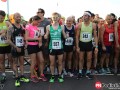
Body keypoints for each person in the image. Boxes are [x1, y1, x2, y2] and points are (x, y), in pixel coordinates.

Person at [8, 13, 29, 87]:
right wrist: (15, 47)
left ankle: (22, 76)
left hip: (22, 47)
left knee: (22, 63)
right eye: (17, 17)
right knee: (15, 63)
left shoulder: (22, 27)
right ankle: (17, 77)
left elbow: (23, 37)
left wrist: (25, 43)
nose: (19, 18)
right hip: (15, 48)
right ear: (14, 18)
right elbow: (8, 40)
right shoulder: (11, 27)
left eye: (20, 17)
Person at [44, 12, 67, 83]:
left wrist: (67, 36)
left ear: (59, 18)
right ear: (52, 18)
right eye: (54, 17)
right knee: (52, 63)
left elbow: (64, 36)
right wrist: (44, 36)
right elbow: (46, 35)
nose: (55, 18)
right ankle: (53, 75)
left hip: (60, 47)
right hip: (52, 47)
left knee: (60, 62)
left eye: (57, 17)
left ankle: (60, 75)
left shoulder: (62, 26)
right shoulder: (48, 27)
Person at [76, 11, 98, 80]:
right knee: (81, 59)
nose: (84, 17)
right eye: (83, 15)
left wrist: (96, 47)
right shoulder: (80, 25)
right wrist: (77, 47)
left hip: (89, 43)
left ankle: (88, 72)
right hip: (82, 43)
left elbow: (95, 36)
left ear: (89, 17)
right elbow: (77, 36)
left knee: (89, 59)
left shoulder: (93, 25)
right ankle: (80, 72)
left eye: (85, 15)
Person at [25, 15, 47, 83]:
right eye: (38, 22)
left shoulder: (36, 27)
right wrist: (37, 39)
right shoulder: (28, 26)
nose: (39, 24)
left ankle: (41, 74)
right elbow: (26, 38)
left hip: (37, 45)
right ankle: (32, 76)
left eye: (39, 22)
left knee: (42, 60)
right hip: (31, 45)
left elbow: (40, 36)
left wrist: (40, 41)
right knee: (33, 62)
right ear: (34, 20)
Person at [0, 10, 13, 83]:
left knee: (11, 59)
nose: (0, 19)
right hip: (0, 46)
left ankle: (14, 72)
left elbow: (11, 27)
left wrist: (5, 31)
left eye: (2, 18)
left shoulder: (6, 22)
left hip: (8, 45)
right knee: (1, 61)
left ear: (4, 17)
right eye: (0, 18)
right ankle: (3, 74)